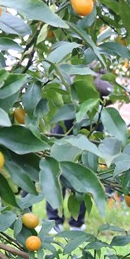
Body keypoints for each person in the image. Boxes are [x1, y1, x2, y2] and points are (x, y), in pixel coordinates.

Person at [46, 76, 112, 229]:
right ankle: (55, 221)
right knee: (58, 173)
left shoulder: (98, 112)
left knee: (83, 177)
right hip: (68, 129)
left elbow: (108, 91)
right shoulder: (73, 104)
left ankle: (75, 222)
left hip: (89, 133)